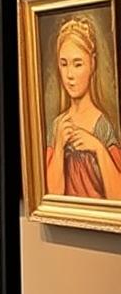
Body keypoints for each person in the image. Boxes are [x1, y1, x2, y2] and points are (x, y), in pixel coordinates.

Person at [46, 16, 121, 199]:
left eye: (77, 64)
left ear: (92, 64)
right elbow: (52, 194)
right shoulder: (58, 125)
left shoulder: (102, 125)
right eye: (64, 64)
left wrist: (98, 148)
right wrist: (59, 146)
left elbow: (117, 195)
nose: (69, 75)